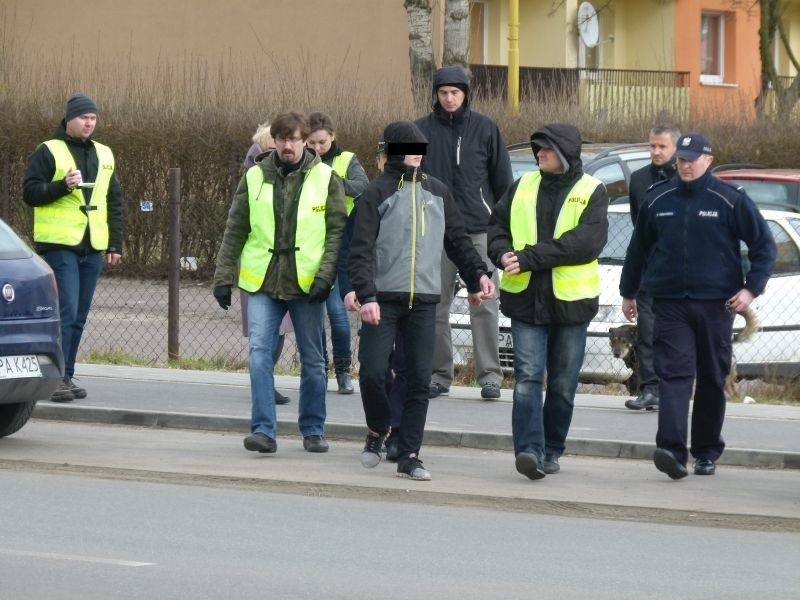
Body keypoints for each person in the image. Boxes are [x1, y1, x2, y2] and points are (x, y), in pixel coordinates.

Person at [620, 132, 776, 480]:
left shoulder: (730, 199)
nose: (686, 165)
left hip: (717, 305)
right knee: (673, 375)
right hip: (671, 304)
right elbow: (638, 250)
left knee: (711, 377)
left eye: (692, 159)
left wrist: (751, 290)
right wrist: (628, 292)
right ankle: (671, 452)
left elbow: (765, 247)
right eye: (682, 160)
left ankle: (705, 451)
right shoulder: (658, 198)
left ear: (708, 159)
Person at [349, 120, 495, 481]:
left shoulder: (439, 192)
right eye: (409, 148)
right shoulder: (377, 192)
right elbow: (361, 250)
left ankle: (411, 455)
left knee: (418, 380)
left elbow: (458, 241)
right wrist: (366, 295)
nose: (417, 154)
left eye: (420, 148)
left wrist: (479, 275)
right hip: (382, 301)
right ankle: (377, 428)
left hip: (424, 301)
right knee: (371, 372)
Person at [213, 111, 346, 455]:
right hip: (262, 283)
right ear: (274, 141)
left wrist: (325, 277)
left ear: (304, 141)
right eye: (282, 139)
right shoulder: (255, 176)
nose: (288, 146)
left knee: (313, 360)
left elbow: (335, 234)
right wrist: (223, 277)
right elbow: (236, 228)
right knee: (259, 354)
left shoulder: (326, 178)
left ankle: (313, 429)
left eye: (294, 139)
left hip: (307, 284)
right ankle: (263, 430)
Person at [488, 123, 608, 480]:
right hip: (525, 301)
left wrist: (527, 257)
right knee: (526, 379)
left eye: (546, 149)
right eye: (537, 148)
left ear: (566, 154)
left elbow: (583, 244)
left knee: (561, 385)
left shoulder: (592, 190)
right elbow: (497, 226)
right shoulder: (522, 185)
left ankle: (552, 449)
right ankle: (528, 450)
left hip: (571, 305)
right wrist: (501, 254)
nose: (538, 154)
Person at [415, 65, 513, 401]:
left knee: (484, 304)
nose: (449, 98)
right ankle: (439, 375)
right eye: (443, 93)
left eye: (455, 92)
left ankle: (489, 377)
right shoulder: (416, 130)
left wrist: (502, 227)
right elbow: (395, 175)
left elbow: (503, 183)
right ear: (435, 95)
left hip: (478, 230)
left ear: (466, 93)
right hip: (435, 231)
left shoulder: (486, 128)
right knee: (435, 304)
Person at [22, 93, 124, 403]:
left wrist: (115, 243)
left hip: (92, 244)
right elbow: (30, 192)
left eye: (93, 118)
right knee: (65, 312)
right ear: (69, 120)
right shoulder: (49, 151)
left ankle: (66, 375)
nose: (89, 123)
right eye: (83, 118)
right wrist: (61, 186)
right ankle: (55, 380)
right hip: (60, 244)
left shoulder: (104, 154)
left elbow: (114, 200)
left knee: (79, 314)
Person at [306, 112, 369, 394]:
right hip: (310, 242)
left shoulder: (346, 160)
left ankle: (343, 371)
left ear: (332, 136)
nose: (317, 148)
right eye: (312, 143)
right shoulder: (302, 161)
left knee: (338, 313)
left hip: (341, 239)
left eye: (322, 142)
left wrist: (332, 181)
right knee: (312, 316)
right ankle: (319, 368)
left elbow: (362, 188)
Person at [623, 123, 680, 411]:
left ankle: (675, 389)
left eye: (662, 147)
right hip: (649, 272)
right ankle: (649, 389)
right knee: (647, 333)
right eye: (652, 146)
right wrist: (629, 288)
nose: (656, 151)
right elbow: (638, 232)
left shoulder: (686, 178)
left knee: (677, 335)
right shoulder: (639, 180)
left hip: (681, 274)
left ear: (675, 149)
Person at [239, 124, 292, 405]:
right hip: (259, 270)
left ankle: (265, 382)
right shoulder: (254, 179)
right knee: (263, 334)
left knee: (280, 330)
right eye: (274, 147)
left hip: (286, 268)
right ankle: (262, 385)